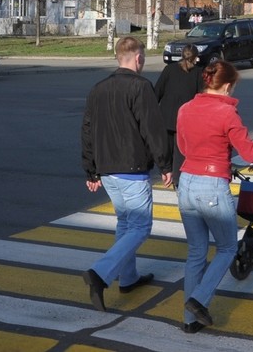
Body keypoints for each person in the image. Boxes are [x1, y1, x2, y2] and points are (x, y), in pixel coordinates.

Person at [175, 60, 253, 333]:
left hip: (187, 182)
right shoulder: (228, 114)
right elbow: (250, 154)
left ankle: (189, 321)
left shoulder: (185, 109)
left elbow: (182, 146)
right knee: (227, 247)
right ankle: (199, 300)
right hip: (212, 186)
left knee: (196, 252)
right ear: (227, 86)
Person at [80, 36, 172, 313]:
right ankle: (100, 273)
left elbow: (87, 130)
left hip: (107, 170)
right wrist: (165, 165)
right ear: (138, 58)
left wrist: (91, 170)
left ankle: (129, 278)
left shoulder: (98, 89)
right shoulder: (141, 87)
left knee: (125, 224)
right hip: (132, 168)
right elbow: (153, 129)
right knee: (140, 227)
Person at [154, 43, 204, 188]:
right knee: (180, 150)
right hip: (186, 119)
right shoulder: (198, 73)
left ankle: (166, 173)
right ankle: (178, 179)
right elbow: (200, 96)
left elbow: (158, 91)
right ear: (195, 58)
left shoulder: (169, 69)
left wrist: (152, 112)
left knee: (166, 148)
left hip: (166, 116)